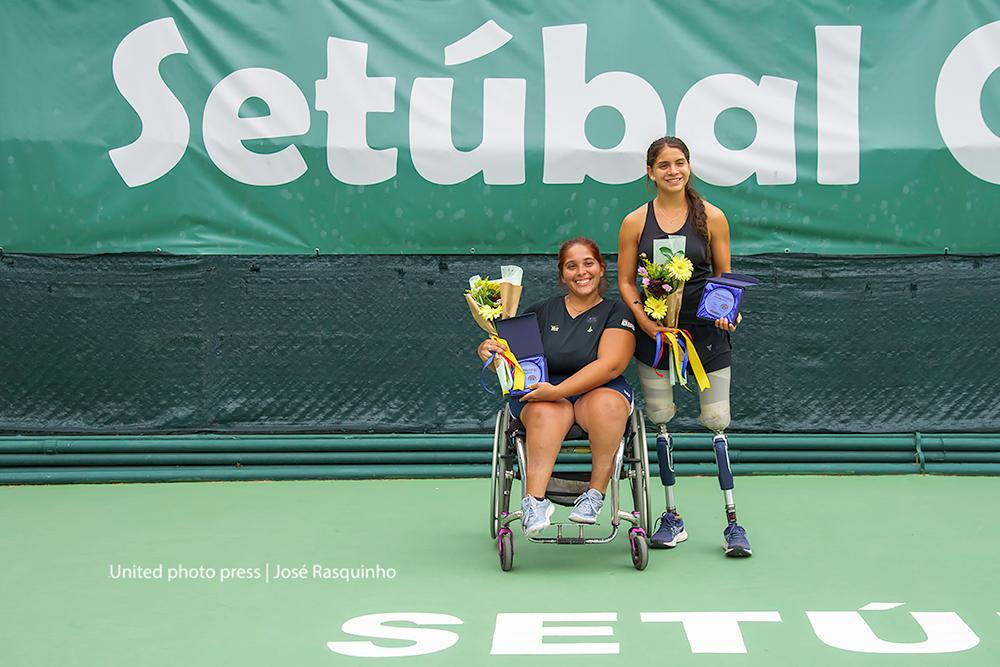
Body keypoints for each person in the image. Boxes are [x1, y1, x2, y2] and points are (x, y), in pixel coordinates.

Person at [617, 136, 752, 557]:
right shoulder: (635, 222)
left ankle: (733, 524)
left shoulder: (712, 217)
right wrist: (645, 321)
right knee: (659, 418)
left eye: (680, 163)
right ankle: (671, 518)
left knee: (716, 420)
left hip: (706, 334)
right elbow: (624, 280)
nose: (673, 171)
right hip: (655, 338)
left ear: (688, 166)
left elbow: (724, 280)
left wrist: (729, 311)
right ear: (650, 173)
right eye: (663, 165)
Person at [477, 237, 636, 537]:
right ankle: (534, 502)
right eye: (571, 266)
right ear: (562, 275)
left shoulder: (618, 312)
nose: (581, 272)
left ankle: (594, 496)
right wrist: (490, 350)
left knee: (607, 406)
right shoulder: (541, 311)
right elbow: (516, 362)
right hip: (546, 392)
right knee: (546, 411)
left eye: (588, 263)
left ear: (601, 268)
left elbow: (611, 365)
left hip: (600, 390)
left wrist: (558, 391)